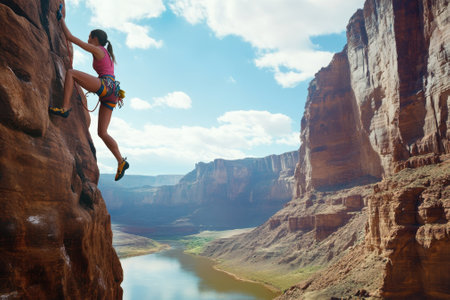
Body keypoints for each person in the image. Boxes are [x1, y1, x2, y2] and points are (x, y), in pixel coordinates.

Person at [49, 5, 129, 181]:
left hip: (106, 86)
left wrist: (60, 18)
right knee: (102, 132)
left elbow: (70, 38)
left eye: (89, 36)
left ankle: (64, 108)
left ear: (95, 38)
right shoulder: (107, 53)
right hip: (113, 92)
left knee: (71, 73)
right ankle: (120, 161)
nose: (88, 38)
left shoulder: (98, 49)